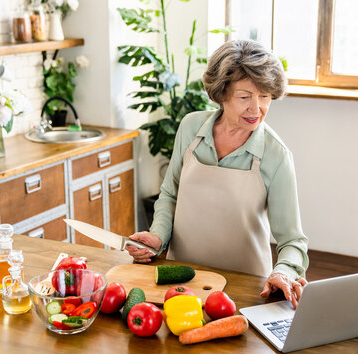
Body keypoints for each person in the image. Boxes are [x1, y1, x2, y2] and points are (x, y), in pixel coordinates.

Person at [126, 40, 309, 308]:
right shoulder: (191, 128)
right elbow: (169, 194)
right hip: (183, 278)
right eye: (245, 97)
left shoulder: (276, 155)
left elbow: (292, 240)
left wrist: (283, 272)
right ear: (221, 94)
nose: (256, 109)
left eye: (265, 97)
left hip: (247, 286)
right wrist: (157, 236)